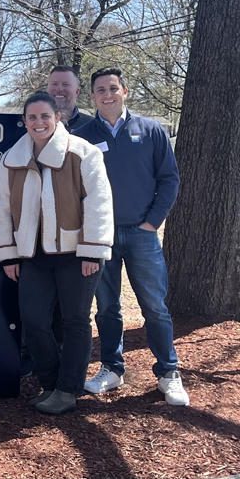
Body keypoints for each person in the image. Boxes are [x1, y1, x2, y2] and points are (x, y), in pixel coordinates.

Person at [0, 91, 113, 415]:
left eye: (45, 116)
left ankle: (67, 389)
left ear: (57, 118)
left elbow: (99, 203)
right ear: (24, 122)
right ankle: (50, 382)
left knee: (75, 321)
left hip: (78, 253)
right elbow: (2, 208)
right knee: (33, 320)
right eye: (32, 117)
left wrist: (93, 251)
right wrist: (8, 254)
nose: (38, 122)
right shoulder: (12, 159)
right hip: (33, 254)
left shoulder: (83, 153)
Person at [75, 67, 188, 406]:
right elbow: (74, 188)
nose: (107, 94)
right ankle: (111, 368)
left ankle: (168, 372)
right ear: (92, 96)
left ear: (125, 91)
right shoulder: (82, 135)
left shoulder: (151, 131)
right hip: (100, 237)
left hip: (142, 234)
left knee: (154, 306)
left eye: (112, 88)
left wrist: (152, 222)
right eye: (100, 90)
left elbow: (169, 179)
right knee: (107, 307)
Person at [47, 65, 94, 132]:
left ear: (77, 92)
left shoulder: (91, 125)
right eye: (54, 84)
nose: (59, 89)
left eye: (65, 84)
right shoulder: (34, 125)